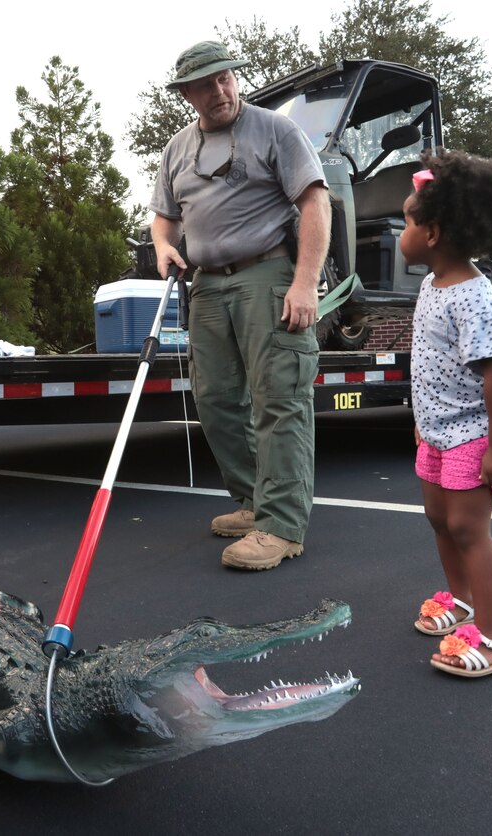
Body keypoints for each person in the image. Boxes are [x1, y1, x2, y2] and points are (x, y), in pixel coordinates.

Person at [150, 40, 331, 571]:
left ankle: (282, 526)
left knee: (280, 398)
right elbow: (164, 215)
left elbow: (314, 201)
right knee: (216, 400)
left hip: (268, 275)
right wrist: (163, 245)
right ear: (187, 94)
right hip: (206, 285)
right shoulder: (176, 149)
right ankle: (255, 501)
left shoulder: (276, 130)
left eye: (225, 77)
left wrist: (304, 283)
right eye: (205, 84)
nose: (220, 89)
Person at [402, 148, 492, 677]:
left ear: (432, 234)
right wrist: (423, 423)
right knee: (440, 521)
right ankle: (463, 602)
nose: (400, 231)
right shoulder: (433, 285)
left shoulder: (474, 298)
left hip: (475, 436)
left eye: (406, 220)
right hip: (436, 434)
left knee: (470, 530)